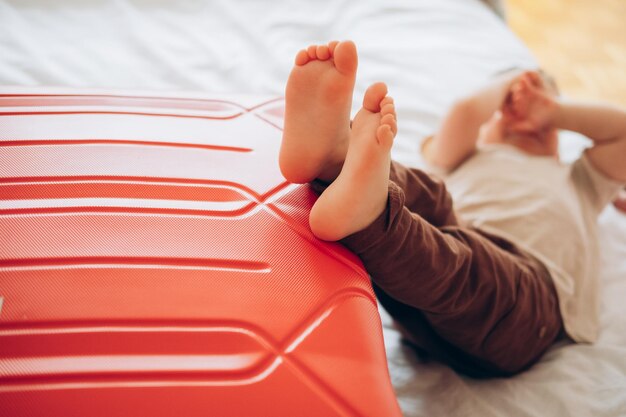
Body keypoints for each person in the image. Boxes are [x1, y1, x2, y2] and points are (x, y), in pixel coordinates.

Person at [278, 40, 626, 377]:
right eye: (507, 113)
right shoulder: (464, 157)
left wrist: (554, 111)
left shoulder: (580, 179)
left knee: (465, 262)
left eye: (543, 122)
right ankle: (334, 162)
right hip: (418, 288)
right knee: (426, 193)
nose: (525, 123)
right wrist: (515, 80)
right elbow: (466, 111)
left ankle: (370, 217)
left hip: (521, 307)